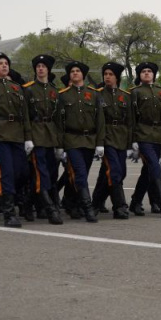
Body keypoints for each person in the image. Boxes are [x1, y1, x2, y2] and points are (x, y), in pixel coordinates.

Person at [0, 52, 32, 227]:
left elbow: (25, 115)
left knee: (21, 172)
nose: (4, 66)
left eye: (6, 63)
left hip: (17, 135)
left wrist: (28, 138)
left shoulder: (16, 87)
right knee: (7, 174)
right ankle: (9, 214)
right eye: (0, 63)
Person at [56, 60, 105, 222]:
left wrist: (100, 143)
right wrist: (60, 146)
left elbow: (100, 121)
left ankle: (72, 204)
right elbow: (59, 123)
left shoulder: (94, 94)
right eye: (72, 71)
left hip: (89, 140)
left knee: (77, 175)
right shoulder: (63, 95)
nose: (75, 73)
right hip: (72, 140)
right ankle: (87, 207)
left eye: (77, 71)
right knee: (80, 173)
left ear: (83, 74)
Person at [22, 55, 64, 224]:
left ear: (48, 70)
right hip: (36, 134)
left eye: (43, 66)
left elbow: (59, 120)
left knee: (51, 174)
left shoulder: (54, 90)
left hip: (51, 135)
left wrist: (60, 144)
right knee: (41, 173)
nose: (40, 69)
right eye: (38, 66)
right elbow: (25, 116)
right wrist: (27, 138)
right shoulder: (28, 89)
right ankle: (50, 208)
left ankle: (28, 203)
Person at [128, 62, 161, 217]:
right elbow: (132, 117)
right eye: (143, 71)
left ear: (154, 74)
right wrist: (133, 139)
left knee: (147, 171)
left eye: (149, 71)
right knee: (154, 167)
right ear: (139, 75)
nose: (146, 73)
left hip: (159, 135)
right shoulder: (135, 92)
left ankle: (135, 202)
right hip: (143, 133)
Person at [92, 61, 133, 219]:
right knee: (114, 171)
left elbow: (130, 122)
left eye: (111, 75)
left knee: (118, 173)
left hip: (121, 138)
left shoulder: (125, 96)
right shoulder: (98, 94)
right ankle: (120, 206)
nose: (107, 77)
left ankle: (95, 203)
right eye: (105, 74)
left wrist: (130, 144)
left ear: (117, 77)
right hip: (106, 137)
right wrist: (99, 143)